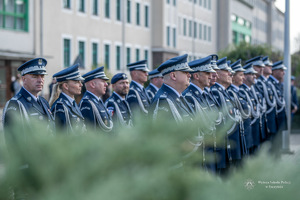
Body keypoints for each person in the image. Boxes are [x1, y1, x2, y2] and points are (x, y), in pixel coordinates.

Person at [3, 58, 55, 141]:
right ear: (24, 79)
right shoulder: (16, 104)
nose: (40, 80)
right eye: (35, 76)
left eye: (42, 76)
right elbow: (12, 142)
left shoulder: (43, 101)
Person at [182, 56, 218, 173]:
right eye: (207, 73)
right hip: (199, 150)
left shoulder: (203, 94)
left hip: (208, 147)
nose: (211, 76)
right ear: (196, 76)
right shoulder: (189, 96)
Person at [211, 57, 242, 174]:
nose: (231, 73)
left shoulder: (224, 93)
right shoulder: (216, 93)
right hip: (221, 146)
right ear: (217, 74)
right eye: (226, 71)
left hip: (229, 145)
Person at [49, 64, 86, 134]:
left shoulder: (72, 103)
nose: (81, 85)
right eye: (77, 82)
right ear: (66, 86)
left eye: (80, 82)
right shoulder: (60, 107)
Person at [79, 66, 113, 133]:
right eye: (103, 81)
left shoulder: (98, 101)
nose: (106, 84)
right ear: (92, 84)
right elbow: (91, 132)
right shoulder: (87, 103)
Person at [227, 59, 250, 158]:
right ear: (234, 78)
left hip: (243, 135)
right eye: (240, 75)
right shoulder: (230, 92)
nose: (243, 77)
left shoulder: (239, 92)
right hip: (234, 138)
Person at [245, 56, 271, 142]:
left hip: (260, 125)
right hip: (251, 128)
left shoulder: (257, 85)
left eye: (262, 67)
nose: (262, 69)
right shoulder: (246, 87)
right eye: (259, 67)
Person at [239, 63, 260, 154]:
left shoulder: (250, 90)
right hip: (248, 129)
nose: (254, 76)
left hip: (253, 129)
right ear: (245, 76)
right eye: (251, 74)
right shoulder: (242, 91)